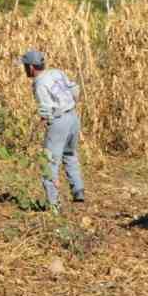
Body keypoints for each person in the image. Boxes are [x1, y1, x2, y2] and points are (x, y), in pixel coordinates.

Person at [22, 49, 84, 209]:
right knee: (70, 154)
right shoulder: (57, 73)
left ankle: (53, 203)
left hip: (59, 121)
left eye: (24, 66)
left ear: (30, 68)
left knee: (49, 162)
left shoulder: (39, 83)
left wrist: (36, 131)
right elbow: (75, 90)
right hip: (73, 118)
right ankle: (78, 191)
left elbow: (46, 111)